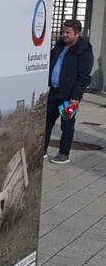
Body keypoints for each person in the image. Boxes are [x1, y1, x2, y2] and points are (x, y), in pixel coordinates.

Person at [45, 19, 93, 164]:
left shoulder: (83, 51)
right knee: (47, 123)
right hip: (54, 92)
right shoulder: (59, 46)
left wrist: (76, 97)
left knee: (67, 125)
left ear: (77, 33)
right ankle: (42, 149)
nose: (64, 35)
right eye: (63, 32)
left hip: (69, 96)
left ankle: (64, 154)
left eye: (68, 32)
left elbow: (84, 77)